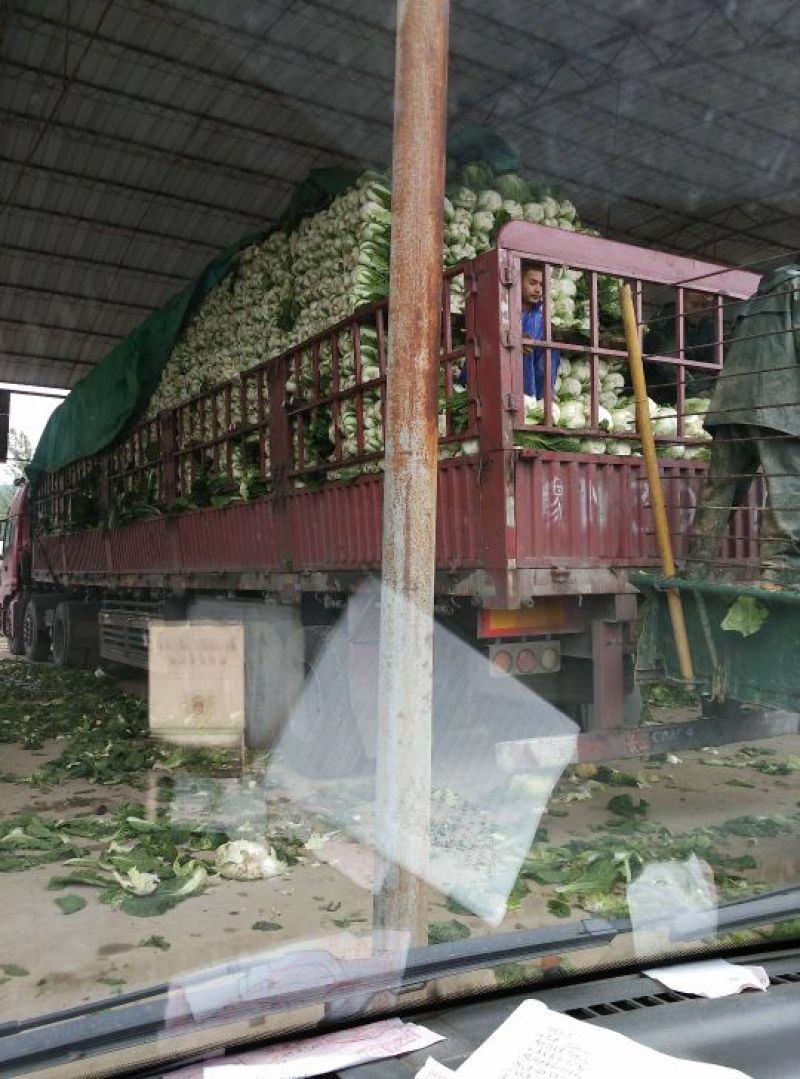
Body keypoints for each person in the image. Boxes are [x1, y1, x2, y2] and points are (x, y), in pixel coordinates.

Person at [686, 260, 800, 583]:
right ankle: (779, 578)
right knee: (787, 493)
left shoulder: (754, 299)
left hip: (730, 406)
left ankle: (695, 571)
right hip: (779, 410)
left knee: (718, 492)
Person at [645, 290, 718, 403]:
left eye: (704, 306)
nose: (699, 310)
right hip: (659, 392)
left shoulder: (707, 327)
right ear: (680, 302)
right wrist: (694, 392)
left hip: (690, 391)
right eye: (694, 304)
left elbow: (714, 363)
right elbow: (669, 363)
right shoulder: (667, 321)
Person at [520, 262, 560, 399]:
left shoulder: (541, 317)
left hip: (528, 399)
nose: (538, 290)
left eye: (542, 285)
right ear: (518, 281)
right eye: (533, 283)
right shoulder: (502, 309)